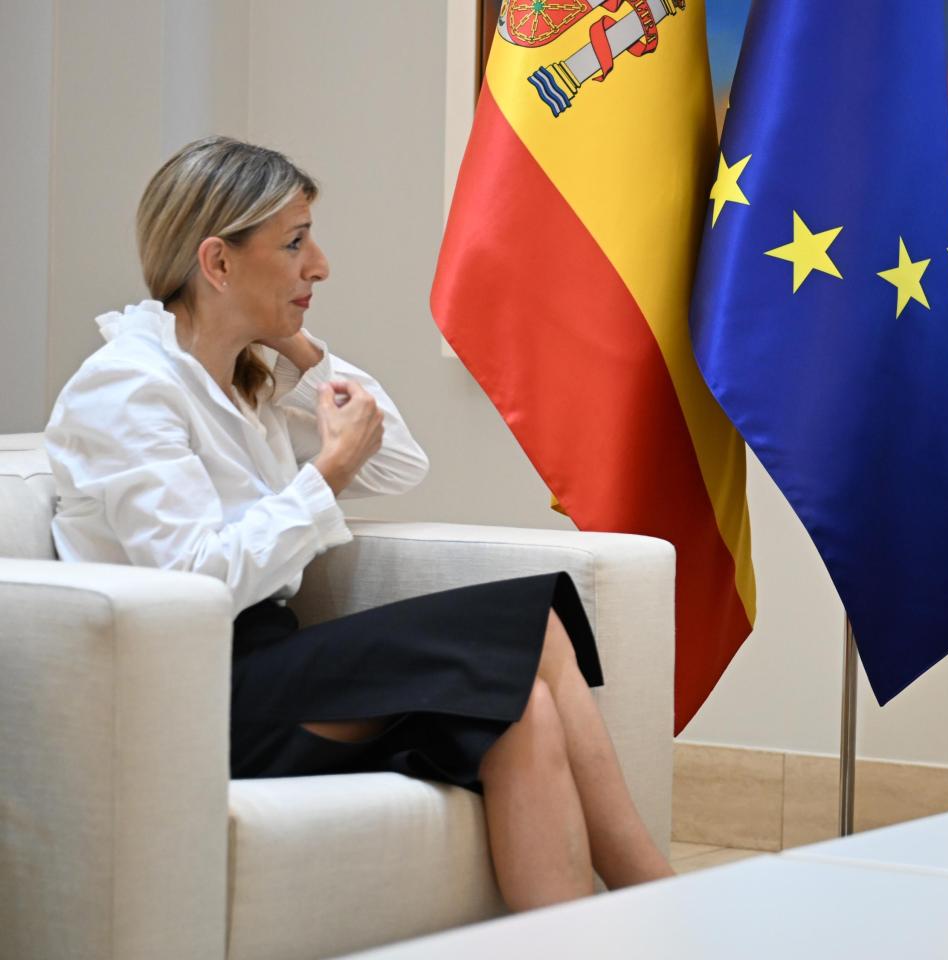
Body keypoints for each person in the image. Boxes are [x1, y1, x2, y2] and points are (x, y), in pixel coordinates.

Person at [43, 136, 671, 909]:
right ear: (218, 263)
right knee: (532, 625)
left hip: (267, 666)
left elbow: (400, 462)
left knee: (523, 707)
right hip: (190, 689)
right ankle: (665, 903)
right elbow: (192, 581)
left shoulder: (242, 379)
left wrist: (299, 348)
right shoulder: (127, 389)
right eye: (296, 243)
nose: (320, 266)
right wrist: (325, 472)